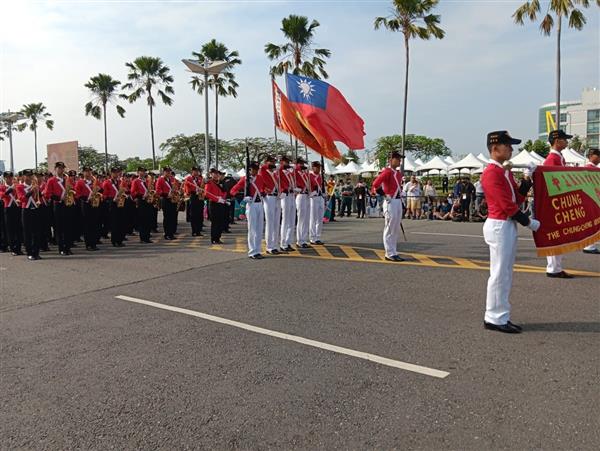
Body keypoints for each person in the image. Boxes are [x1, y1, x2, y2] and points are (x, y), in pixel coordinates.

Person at [481, 130, 539, 334]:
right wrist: (529, 222)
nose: (511, 149)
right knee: (499, 273)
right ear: (495, 148)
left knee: (505, 272)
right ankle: (494, 316)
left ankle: (500, 314)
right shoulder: (491, 173)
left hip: (506, 225)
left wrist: (526, 180)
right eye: (507, 146)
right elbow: (507, 205)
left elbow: (517, 199)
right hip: (499, 225)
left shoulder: (504, 172)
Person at [543, 129, 575, 278]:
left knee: (559, 236)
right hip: (554, 203)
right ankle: (553, 268)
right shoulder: (551, 159)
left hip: (558, 202)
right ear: (557, 141)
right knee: (555, 236)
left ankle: (556, 267)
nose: (566, 141)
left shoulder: (559, 158)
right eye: (564, 139)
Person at [371, 151, 404, 262]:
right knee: (390, 227)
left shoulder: (399, 174)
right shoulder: (387, 172)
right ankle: (389, 253)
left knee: (395, 228)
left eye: (400, 159)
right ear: (391, 160)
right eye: (397, 159)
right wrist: (384, 195)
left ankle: (393, 251)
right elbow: (375, 184)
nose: (400, 161)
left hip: (398, 201)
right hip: (390, 202)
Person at [230, 162, 266, 259]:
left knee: (259, 229)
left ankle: (258, 250)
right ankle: (252, 251)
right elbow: (233, 190)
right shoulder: (245, 179)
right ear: (249, 169)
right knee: (252, 229)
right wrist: (242, 196)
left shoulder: (260, 178)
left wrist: (263, 192)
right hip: (251, 205)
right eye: (253, 169)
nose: (255, 170)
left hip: (259, 204)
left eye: (256, 168)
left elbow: (263, 188)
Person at [43, 162, 72, 255]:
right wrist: (60, 198)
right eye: (59, 168)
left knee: (68, 226)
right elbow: (48, 194)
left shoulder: (67, 179)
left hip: (67, 204)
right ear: (55, 169)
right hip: (58, 205)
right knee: (59, 228)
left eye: (62, 168)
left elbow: (72, 189)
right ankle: (61, 248)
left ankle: (67, 247)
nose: (61, 170)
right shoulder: (51, 180)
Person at [16, 169, 42, 260]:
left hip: (35, 209)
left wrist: (38, 192)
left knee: (37, 232)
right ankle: (29, 253)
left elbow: (39, 197)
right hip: (26, 210)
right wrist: (31, 191)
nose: (29, 177)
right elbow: (21, 198)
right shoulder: (20, 187)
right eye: (27, 176)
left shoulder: (35, 186)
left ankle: (36, 252)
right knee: (27, 233)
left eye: (30, 176)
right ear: (23, 176)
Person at [74, 166, 100, 251]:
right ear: (83, 173)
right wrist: (86, 198)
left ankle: (94, 243)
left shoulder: (95, 181)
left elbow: (101, 190)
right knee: (87, 225)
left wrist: (99, 191)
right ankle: (88, 244)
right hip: (85, 204)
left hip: (94, 204)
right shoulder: (80, 182)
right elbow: (77, 194)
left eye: (89, 171)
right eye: (86, 171)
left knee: (95, 224)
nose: (88, 173)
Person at [260, 155, 281, 254]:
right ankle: (269, 246)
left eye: (274, 162)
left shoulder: (273, 172)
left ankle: (275, 244)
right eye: (271, 162)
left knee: (276, 221)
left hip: (277, 196)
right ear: (266, 162)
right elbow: (262, 181)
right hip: (269, 197)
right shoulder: (263, 170)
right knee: (270, 221)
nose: (273, 164)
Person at [102, 167, 126, 247]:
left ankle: (120, 240)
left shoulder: (120, 182)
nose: (116, 174)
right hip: (112, 204)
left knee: (121, 223)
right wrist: (113, 199)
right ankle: (114, 240)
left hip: (120, 203)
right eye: (114, 172)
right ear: (111, 173)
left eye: (117, 172)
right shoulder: (106, 183)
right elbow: (104, 196)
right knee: (114, 223)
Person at [582, 147, 600, 254]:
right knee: (593, 223)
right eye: (597, 156)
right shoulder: (590, 169)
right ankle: (589, 246)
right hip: (592, 200)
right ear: (591, 156)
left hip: (591, 200)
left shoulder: (591, 168)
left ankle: (589, 245)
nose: (599, 158)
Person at [204, 168, 228, 245]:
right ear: (211, 174)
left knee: (220, 221)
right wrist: (217, 199)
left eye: (217, 174)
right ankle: (214, 239)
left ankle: (218, 238)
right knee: (215, 222)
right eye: (214, 173)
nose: (216, 175)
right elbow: (207, 194)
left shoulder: (220, 182)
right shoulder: (209, 183)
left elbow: (224, 191)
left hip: (221, 203)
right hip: (214, 204)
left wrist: (223, 198)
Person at [1, 171, 23, 256]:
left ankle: (18, 248)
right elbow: (2, 195)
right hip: (8, 209)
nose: (9, 179)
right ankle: (13, 248)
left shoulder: (17, 186)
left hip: (17, 208)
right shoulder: (2, 187)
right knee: (10, 230)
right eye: (7, 177)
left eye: (10, 177)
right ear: (4, 178)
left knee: (18, 229)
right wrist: (11, 189)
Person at [278, 155, 296, 252]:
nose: (287, 163)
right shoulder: (280, 170)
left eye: (288, 162)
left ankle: (288, 242)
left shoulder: (289, 172)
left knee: (291, 220)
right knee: (285, 220)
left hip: (292, 195)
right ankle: (283, 243)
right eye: (286, 162)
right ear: (281, 162)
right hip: (285, 196)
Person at [131, 166, 153, 243]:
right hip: (141, 201)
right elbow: (133, 192)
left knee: (148, 219)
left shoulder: (147, 181)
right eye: (141, 171)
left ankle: (147, 237)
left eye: (144, 171)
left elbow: (150, 189)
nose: (143, 173)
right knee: (142, 220)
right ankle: (142, 238)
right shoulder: (136, 181)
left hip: (148, 201)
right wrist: (142, 195)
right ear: (138, 172)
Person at [155, 167, 177, 241]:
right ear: (163, 172)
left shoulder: (171, 179)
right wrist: (167, 195)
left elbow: (174, 188)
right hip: (165, 200)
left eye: (169, 172)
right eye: (167, 172)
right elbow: (158, 190)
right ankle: (167, 234)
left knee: (172, 217)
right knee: (167, 218)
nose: (168, 173)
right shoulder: (160, 180)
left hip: (172, 200)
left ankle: (171, 233)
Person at [294, 157, 311, 248]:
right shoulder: (296, 171)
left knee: (306, 219)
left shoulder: (304, 173)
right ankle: (299, 240)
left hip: (306, 195)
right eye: (301, 163)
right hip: (300, 195)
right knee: (301, 219)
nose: (303, 165)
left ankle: (304, 239)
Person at [184, 167, 204, 237]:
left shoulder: (200, 178)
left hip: (200, 197)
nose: (196, 172)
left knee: (199, 214)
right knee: (194, 214)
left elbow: (202, 186)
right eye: (195, 171)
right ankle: (194, 231)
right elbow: (187, 187)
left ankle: (198, 230)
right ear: (192, 171)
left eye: (197, 171)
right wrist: (195, 191)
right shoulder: (189, 178)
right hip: (193, 196)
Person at [309, 160, 325, 245]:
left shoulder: (320, 176)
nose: (319, 169)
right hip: (313, 197)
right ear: (313, 167)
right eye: (317, 167)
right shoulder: (310, 175)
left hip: (320, 197)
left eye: (319, 167)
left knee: (320, 218)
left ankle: (318, 237)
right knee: (313, 218)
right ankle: (312, 237)